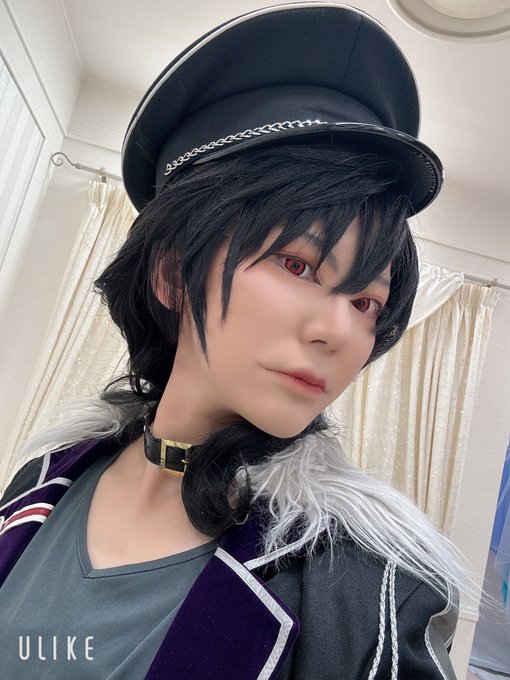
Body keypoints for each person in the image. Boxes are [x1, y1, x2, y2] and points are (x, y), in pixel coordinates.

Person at [0, 4, 464, 678]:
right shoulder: (39, 485)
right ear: (172, 273)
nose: (339, 332)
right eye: (298, 265)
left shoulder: (371, 597)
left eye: (367, 302)